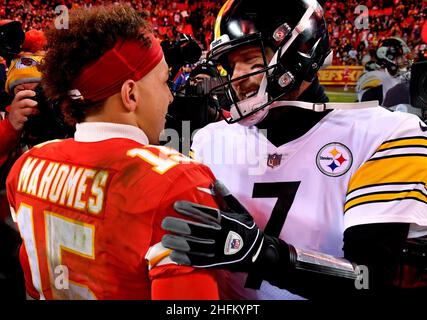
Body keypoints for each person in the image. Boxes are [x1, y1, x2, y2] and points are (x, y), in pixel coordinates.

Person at [161, 0, 427, 299]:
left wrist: (266, 255)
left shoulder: (384, 135)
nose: (239, 79)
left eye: (252, 61)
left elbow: (369, 280)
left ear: (301, 51)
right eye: (232, 65)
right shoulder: (210, 140)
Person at [6, 5, 220, 300]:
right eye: (163, 82)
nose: (170, 95)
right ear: (130, 95)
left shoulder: (27, 165)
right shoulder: (177, 182)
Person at [356, 37, 412, 105]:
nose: (405, 60)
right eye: (400, 57)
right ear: (388, 57)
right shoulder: (376, 80)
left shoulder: (399, 78)